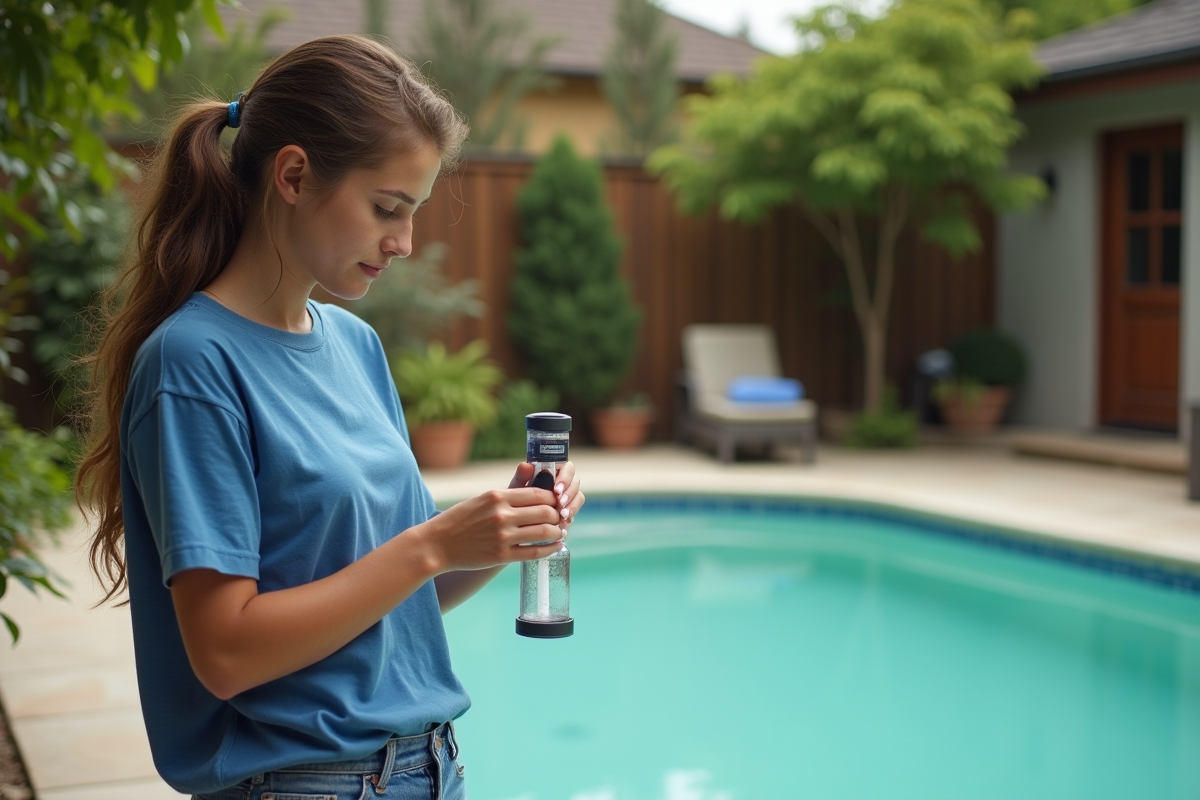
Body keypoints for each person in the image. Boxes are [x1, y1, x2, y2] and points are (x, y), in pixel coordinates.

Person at [73, 34, 584, 800]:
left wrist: (491, 537)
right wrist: (430, 544)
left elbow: (394, 597)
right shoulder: (193, 365)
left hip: (429, 768)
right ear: (293, 174)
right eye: (387, 208)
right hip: (302, 783)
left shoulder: (353, 344)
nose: (405, 242)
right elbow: (227, 651)